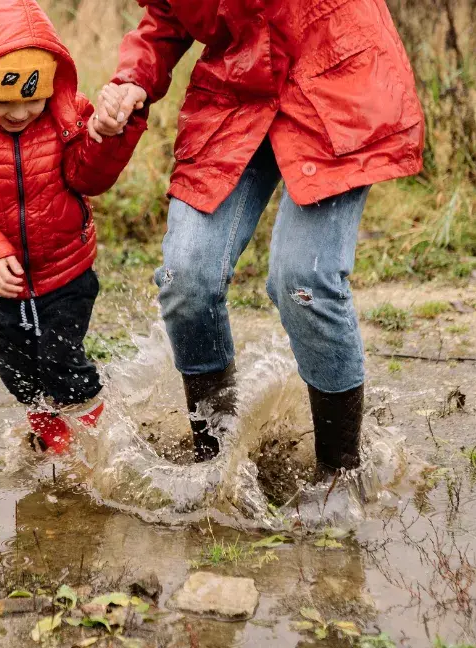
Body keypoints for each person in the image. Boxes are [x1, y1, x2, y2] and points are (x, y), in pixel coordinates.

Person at [90, 1, 424, 495]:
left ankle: (339, 479)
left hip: (337, 85)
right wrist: (132, 79)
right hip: (236, 94)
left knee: (304, 282)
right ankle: (217, 466)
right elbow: (166, 18)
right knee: (187, 278)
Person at [0, 0, 146, 454]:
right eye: (4, 102)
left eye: (33, 99)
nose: (21, 113)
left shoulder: (68, 119)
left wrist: (105, 138)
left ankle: (94, 440)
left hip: (66, 271)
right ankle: (49, 434)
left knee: (62, 362)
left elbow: (89, 177)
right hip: (0, 283)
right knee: (18, 372)